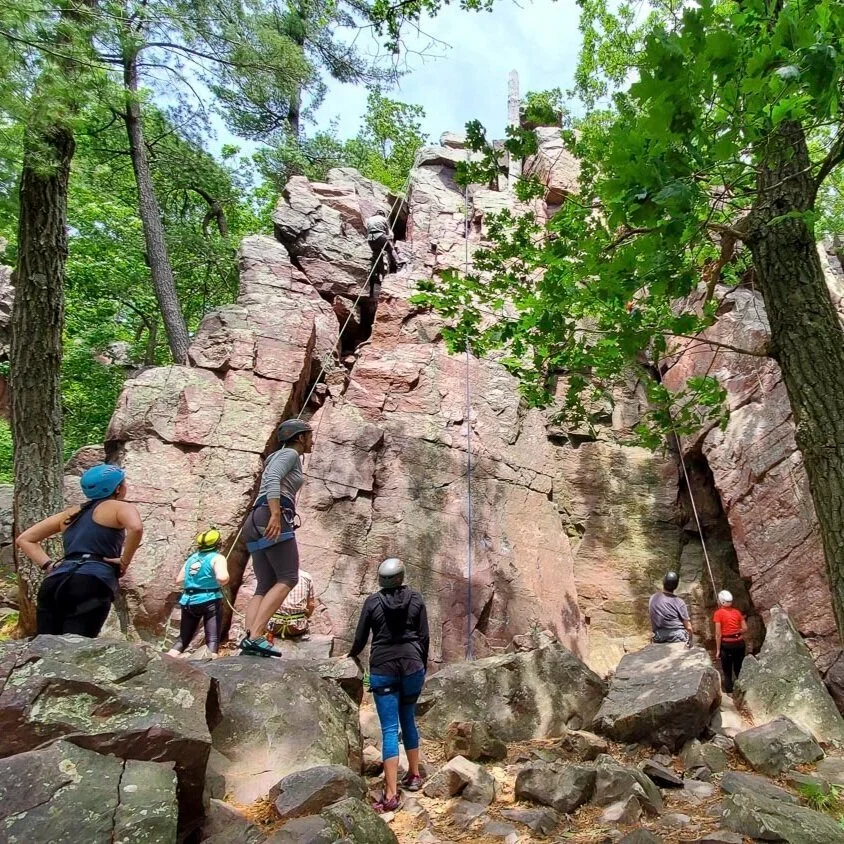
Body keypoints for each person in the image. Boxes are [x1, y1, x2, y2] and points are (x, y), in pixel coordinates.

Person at [16, 463, 143, 638]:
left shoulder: (70, 514)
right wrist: (124, 561)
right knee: (75, 649)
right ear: (118, 488)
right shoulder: (120, 507)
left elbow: (25, 539)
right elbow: (135, 528)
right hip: (91, 583)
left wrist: (49, 566)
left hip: (55, 583)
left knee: (44, 648)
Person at [348, 558, 429, 813]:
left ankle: (391, 794)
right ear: (402, 576)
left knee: (390, 730)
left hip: (383, 668)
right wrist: (420, 665)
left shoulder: (373, 602)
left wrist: (351, 654)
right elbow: (424, 636)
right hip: (412, 665)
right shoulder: (416, 599)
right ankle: (414, 775)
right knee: (408, 719)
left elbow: (361, 636)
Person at [240, 418, 313, 657]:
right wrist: (274, 514)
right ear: (300, 437)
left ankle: (250, 634)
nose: (312, 440)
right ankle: (258, 634)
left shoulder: (279, 456)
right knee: (289, 576)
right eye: (309, 435)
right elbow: (272, 479)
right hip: (272, 514)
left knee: (265, 582)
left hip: (255, 519)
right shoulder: (290, 454)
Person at [167, 528, 229, 658]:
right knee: (212, 639)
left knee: (182, 640)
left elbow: (179, 580)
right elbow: (222, 578)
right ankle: (210, 670)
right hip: (210, 600)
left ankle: (166, 660)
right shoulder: (217, 558)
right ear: (218, 544)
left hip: (188, 601)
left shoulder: (192, 558)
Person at [267, 569, 316, 642]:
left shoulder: (272, 575)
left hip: (275, 626)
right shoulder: (306, 576)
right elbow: (311, 604)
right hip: (297, 627)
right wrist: (306, 616)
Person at [713, 589, 747, 694]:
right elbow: (745, 628)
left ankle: (730, 693)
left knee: (727, 672)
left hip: (727, 645)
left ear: (721, 601)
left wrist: (718, 650)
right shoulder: (737, 612)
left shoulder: (718, 614)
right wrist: (737, 631)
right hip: (739, 643)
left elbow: (718, 634)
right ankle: (743, 690)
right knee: (739, 668)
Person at [649, 571, 693, 644]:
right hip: (678, 635)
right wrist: (691, 639)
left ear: (664, 582)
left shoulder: (653, 598)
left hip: (659, 636)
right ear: (676, 585)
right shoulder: (679, 602)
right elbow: (688, 627)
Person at [365, 209, 401, 291]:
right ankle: (398, 262)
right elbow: (389, 233)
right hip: (380, 236)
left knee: (378, 256)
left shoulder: (370, 219)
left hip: (371, 239)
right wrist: (389, 237)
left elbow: (368, 231)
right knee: (390, 249)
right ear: (383, 215)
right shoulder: (384, 219)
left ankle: (381, 273)